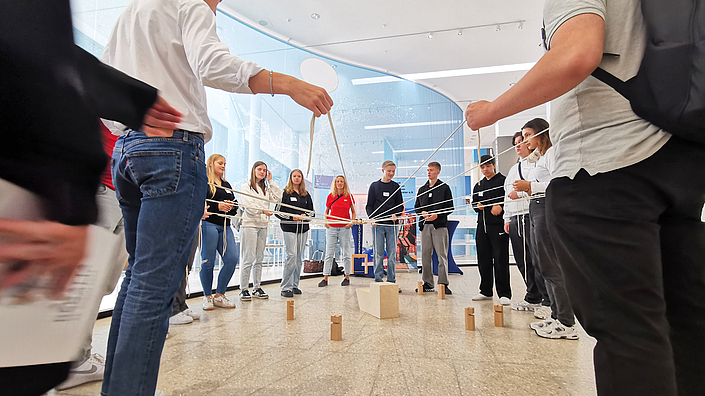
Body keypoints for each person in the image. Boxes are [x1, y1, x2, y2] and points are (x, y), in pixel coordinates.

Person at [465, 1, 705, 393]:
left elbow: (576, 54)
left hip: (605, 167)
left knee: (629, 334)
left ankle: (559, 317)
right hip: (676, 163)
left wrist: (491, 111)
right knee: (686, 324)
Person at [99, 0, 333, 394]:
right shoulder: (188, 2)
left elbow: (105, 90)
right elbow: (212, 63)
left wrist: (134, 124)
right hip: (171, 148)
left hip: (127, 149)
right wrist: (290, 84)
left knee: (138, 277)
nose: (218, 3)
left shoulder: (133, 11)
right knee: (154, 284)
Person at [0, 3, 182, 394]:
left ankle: (75, 353)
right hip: (41, 197)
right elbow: (35, 55)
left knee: (96, 285)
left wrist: (129, 98)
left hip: (63, 195)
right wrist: (66, 187)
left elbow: (50, 54)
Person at [513, 118, 578, 340]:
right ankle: (557, 315)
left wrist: (530, 186)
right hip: (536, 207)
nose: (525, 140)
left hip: (545, 208)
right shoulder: (540, 158)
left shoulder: (552, 154)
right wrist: (524, 190)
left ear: (541, 133)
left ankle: (567, 322)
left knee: (551, 265)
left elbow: (560, 184)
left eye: (528, 134)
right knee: (543, 264)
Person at [503, 131, 550, 313]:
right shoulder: (514, 169)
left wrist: (521, 193)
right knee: (523, 261)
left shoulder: (538, 163)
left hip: (530, 214)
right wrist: (507, 218)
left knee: (538, 260)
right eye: (516, 143)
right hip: (515, 218)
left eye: (522, 141)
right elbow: (507, 195)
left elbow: (534, 186)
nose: (518, 146)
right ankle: (533, 296)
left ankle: (547, 299)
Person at [239, 161, 282, 300]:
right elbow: (249, 207)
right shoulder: (245, 187)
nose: (262, 172)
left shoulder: (266, 189)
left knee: (259, 258)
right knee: (248, 258)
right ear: (253, 170)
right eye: (259, 169)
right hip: (249, 224)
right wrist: (262, 210)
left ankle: (256, 287)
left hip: (263, 225)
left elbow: (279, 197)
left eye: (264, 170)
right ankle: (244, 289)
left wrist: (271, 181)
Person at [200, 154, 239, 309]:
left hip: (225, 226)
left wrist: (230, 207)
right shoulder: (205, 183)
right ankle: (207, 296)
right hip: (208, 224)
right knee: (207, 262)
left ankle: (220, 295)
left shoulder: (227, 185)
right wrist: (218, 207)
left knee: (232, 259)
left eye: (224, 163)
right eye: (220, 163)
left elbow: (235, 206)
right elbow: (202, 204)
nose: (223, 166)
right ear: (211, 164)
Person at [471, 155, 510, 305]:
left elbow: (510, 200)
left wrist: (501, 206)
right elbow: (474, 203)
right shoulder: (479, 185)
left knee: (500, 259)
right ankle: (485, 290)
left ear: (493, 165)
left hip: (498, 226)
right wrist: (477, 206)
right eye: (482, 167)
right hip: (482, 226)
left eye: (488, 166)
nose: (485, 169)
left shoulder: (503, 181)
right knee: (483, 259)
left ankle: (504, 293)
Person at [414, 162, 454, 294]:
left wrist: (437, 215)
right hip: (425, 226)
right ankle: (428, 283)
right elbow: (417, 207)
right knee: (425, 256)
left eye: (431, 170)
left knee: (442, 256)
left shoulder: (444, 188)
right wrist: (423, 213)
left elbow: (450, 207)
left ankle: (443, 284)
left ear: (438, 171)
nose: (429, 172)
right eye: (427, 170)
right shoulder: (422, 189)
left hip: (439, 227)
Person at [276, 169, 314, 297]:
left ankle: (294, 285)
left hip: (303, 229)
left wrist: (304, 216)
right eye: (294, 176)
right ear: (290, 177)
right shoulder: (285, 193)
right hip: (289, 228)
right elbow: (278, 212)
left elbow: (312, 213)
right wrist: (292, 218)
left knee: (298, 258)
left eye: (299, 176)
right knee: (291, 256)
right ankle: (285, 287)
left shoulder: (306, 194)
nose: (297, 178)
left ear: (302, 178)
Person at [366, 161, 404, 289]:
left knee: (392, 254)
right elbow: (369, 206)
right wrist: (372, 218)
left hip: (392, 225)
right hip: (378, 225)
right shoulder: (374, 186)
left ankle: (392, 281)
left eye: (393, 171)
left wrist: (396, 215)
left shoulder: (396, 187)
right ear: (383, 170)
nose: (391, 173)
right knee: (378, 253)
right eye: (389, 171)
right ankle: (378, 281)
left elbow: (399, 206)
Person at [319, 175, 356, 287]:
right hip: (332, 227)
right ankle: (325, 277)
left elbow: (353, 212)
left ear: (344, 184)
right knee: (329, 253)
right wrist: (325, 221)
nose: (340, 183)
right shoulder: (331, 196)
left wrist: (351, 222)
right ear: (335, 183)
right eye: (338, 181)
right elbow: (326, 211)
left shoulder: (349, 196)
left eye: (342, 182)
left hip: (344, 228)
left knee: (346, 253)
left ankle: (347, 276)